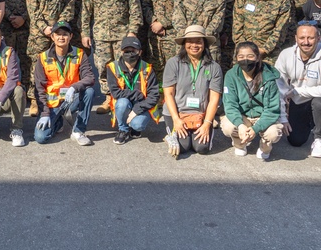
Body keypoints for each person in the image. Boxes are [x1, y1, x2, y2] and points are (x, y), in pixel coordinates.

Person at [81, 0, 143, 103]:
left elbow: (135, 10)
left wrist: (132, 32)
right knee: (103, 67)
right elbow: (86, 12)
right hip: (101, 35)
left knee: (125, 66)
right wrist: (85, 33)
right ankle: (108, 98)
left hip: (122, 35)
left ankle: (123, 97)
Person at [275, 22, 321, 158]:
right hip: (298, 102)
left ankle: (320, 137)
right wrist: (283, 117)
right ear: (296, 38)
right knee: (296, 140)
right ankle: (310, 122)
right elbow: (279, 88)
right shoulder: (286, 55)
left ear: (318, 38)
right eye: (302, 38)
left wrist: (298, 91)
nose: (306, 42)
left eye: (310, 38)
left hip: (318, 98)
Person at [162, 26, 223, 159]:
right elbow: (169, 94)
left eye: (198, 41)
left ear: (204, 44)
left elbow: (214, 98)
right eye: (190, 41)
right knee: (183, 147)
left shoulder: (214, 67)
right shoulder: (173, 63)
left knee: (201, 148)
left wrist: (207, 123)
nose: (194, 45)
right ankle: (171, 135)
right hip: (177, 113)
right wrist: (176, 120)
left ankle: (195, 133)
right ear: (184, 44)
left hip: (201, 114)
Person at [32, 21, 95, 146]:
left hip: (70, 99)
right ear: (52, 37)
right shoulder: (43, 58)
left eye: (65, 34)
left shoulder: (79, 54)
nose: (61, 37)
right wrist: (45, 113)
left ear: (71, 36)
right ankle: (58, 122)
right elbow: (39, 88)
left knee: (89, 91)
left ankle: (78, 131)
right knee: (41, 137)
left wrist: (74, 87)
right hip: (52, 104)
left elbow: (90, 77)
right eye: (58, 34)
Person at [220, 41, 284, 160]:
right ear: (236, 58)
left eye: (250, 56)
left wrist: (255, 129)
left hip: (262, 116)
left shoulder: (268, 77)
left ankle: (265, 147)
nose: (245, 60)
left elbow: (272, 109)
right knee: (228, 126)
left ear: (257, 57)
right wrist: (240, 125)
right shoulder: (231, 75)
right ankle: (240, 143)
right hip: (243, 115)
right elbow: (230, 104)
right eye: (241, 57)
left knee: (273, 133)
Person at [233, 0, 291, 64]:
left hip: (269, 56)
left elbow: (280, 30)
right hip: (243, 53)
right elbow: (237, 24)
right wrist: (245, 50)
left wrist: (263, 50)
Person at [104, 36, 159, 145]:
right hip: (125, 101)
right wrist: (136, 94)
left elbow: (154, 96)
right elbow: (115, 93)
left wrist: (136, 110)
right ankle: (123, 130)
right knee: (122, 103)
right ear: (121, 51)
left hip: (142, 104)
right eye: (127, 50)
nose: (130, 53)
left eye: (133, 50)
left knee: (138, 124)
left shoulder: (147, 68)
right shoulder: (112, 67)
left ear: (140, 52)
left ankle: (135, 128)